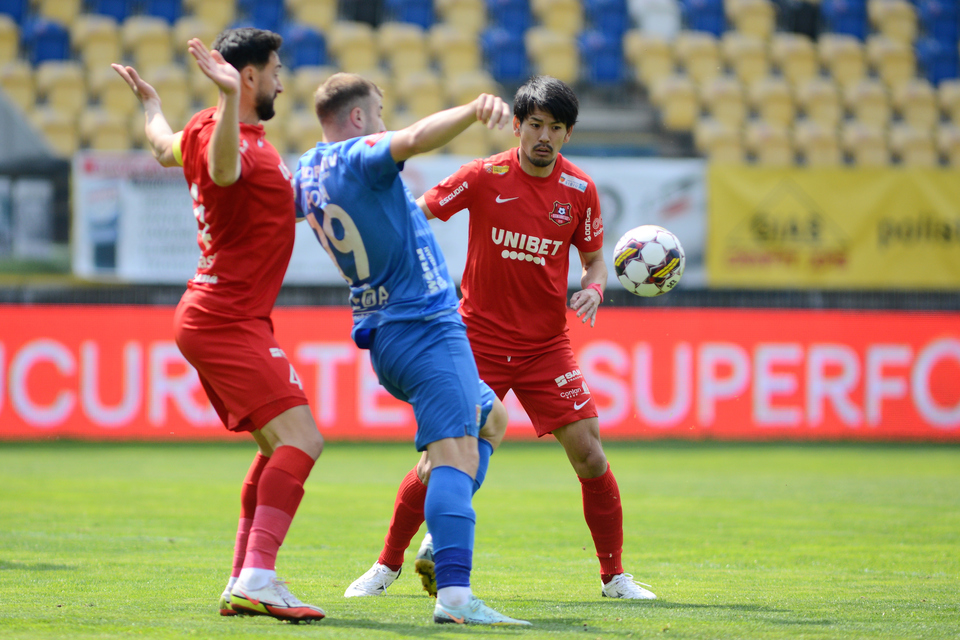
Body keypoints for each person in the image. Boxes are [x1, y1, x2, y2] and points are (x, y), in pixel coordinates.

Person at [343, 75, 658, 601]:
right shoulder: (482, 176)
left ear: (568, 134)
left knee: (591, 455)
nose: (544, 136)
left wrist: (595, 289)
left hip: (544, 347)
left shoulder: (580, 191)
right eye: (535, 125)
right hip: (474, 343)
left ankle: (614, 577)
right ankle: (387, 565)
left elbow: (596, 260)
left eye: (556, 128)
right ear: (516, 125)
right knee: (436, 459)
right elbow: (417, 214)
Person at [293, 72, 530, 626]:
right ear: (357, 118)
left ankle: (438, 534)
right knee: (456, 455)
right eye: (378, 110)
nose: (382, 119)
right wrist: (473, 109)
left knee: (492, 419)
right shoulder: (357, 155)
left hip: (385, 332)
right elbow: (416, 137)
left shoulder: (305, 171)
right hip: (424, 325)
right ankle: (455, 597)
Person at [112, 28, 326, 623]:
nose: (282, 78)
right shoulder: (229, 135)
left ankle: (242, 577)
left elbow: (162, 148)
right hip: (226, 316)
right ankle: (259, 576)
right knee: (304, 441)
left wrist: (152, 108)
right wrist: (231, 99)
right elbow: (224, 174)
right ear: (249, 75)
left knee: (273, 448)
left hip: (223, 313)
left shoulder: (207, 126)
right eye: (275, 69)